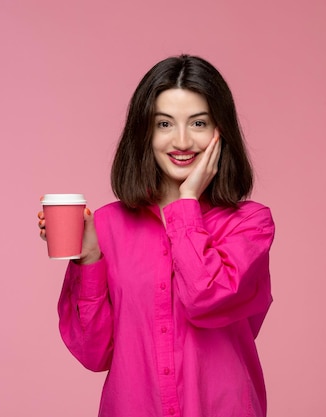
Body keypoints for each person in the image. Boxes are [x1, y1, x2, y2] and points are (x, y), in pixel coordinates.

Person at [38, 54, 275, 417]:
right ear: (144, 133)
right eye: (164, 124)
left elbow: (205, 299)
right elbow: (93, 353)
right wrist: (88, 259)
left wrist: (187, 203)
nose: (182, 140)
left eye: (198, 122)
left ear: (220, 131)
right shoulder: (107, 226)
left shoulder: (250, 225)